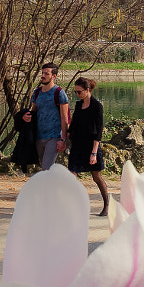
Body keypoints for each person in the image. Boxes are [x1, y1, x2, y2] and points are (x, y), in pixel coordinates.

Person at [67, 76, 109, 215]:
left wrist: (94, 152)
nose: (77, 95)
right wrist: (66, 136)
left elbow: (99, 130)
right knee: (71, 175)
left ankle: (107, 205)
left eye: (79, 92)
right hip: (77, 144)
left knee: (96, 177)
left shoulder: (97, 106)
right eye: (75, 92)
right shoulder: (79, 105)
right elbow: (74, 124)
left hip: (91, 146)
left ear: (87, 90)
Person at [31, 62, 69, 173]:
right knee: (44, 168)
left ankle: (45, 190)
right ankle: (56, 188)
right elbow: (33, 111)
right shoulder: (37, 92)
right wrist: (25, 117)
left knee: (46, 169)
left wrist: (63, 139)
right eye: (42, 73)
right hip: (39, 136)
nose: (42, 75)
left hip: (54, 137)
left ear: (54, 76)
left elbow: (64, 117)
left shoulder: (59, 93)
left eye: (46, 74)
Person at [8, 102, 39, 173]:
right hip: (34, 137)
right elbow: (18, 122)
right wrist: (22, 116)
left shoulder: (59, 95)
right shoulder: (38, 93)